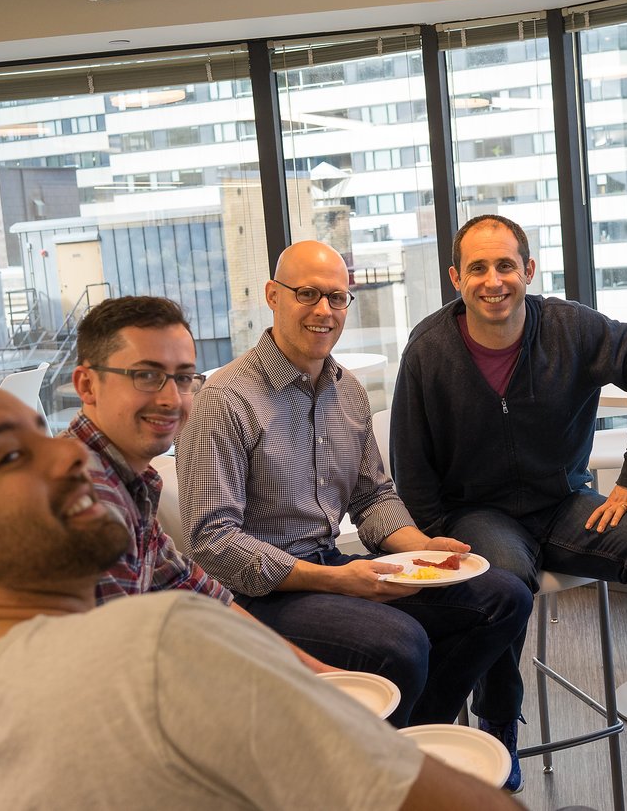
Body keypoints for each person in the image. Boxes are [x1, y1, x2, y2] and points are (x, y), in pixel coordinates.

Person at [0, 383, 520, 810]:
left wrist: (318, 678)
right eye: (10, 456)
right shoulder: (151, 644)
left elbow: (203, 587)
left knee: (494, 597)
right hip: (288, 584)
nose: (71, 455)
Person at [176, 240, 532, 754]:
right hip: (256, 597)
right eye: (308, 294)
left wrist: (422, 548)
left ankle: (401, 754)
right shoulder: (226, 399)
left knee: (502, 597)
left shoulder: (348, 390)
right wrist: (339, 581)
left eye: (337, 298)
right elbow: (212, 541)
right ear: (273, 297)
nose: (324, 311)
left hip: (331, 567)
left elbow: (373, 497)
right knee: (401, 646)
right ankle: (390, 770)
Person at [389, 213, 627, 781]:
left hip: (564, 502)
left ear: (528, 270)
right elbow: (410, 462)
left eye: (506, 265)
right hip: (478, 514)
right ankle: (500, 727)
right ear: (456, 278)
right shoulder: (428, 351)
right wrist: (439, 534)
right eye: (478, 268)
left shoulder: (571, 328)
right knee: (502, 584)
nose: (494, 280)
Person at [62, 294, 331, 672]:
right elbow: (116, 669)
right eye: (147, 376)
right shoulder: (83, 497)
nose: (172, 399)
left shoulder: (126, 479)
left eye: (184, 378)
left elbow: (193, 588)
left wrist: (314, 672)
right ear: (87, 385)